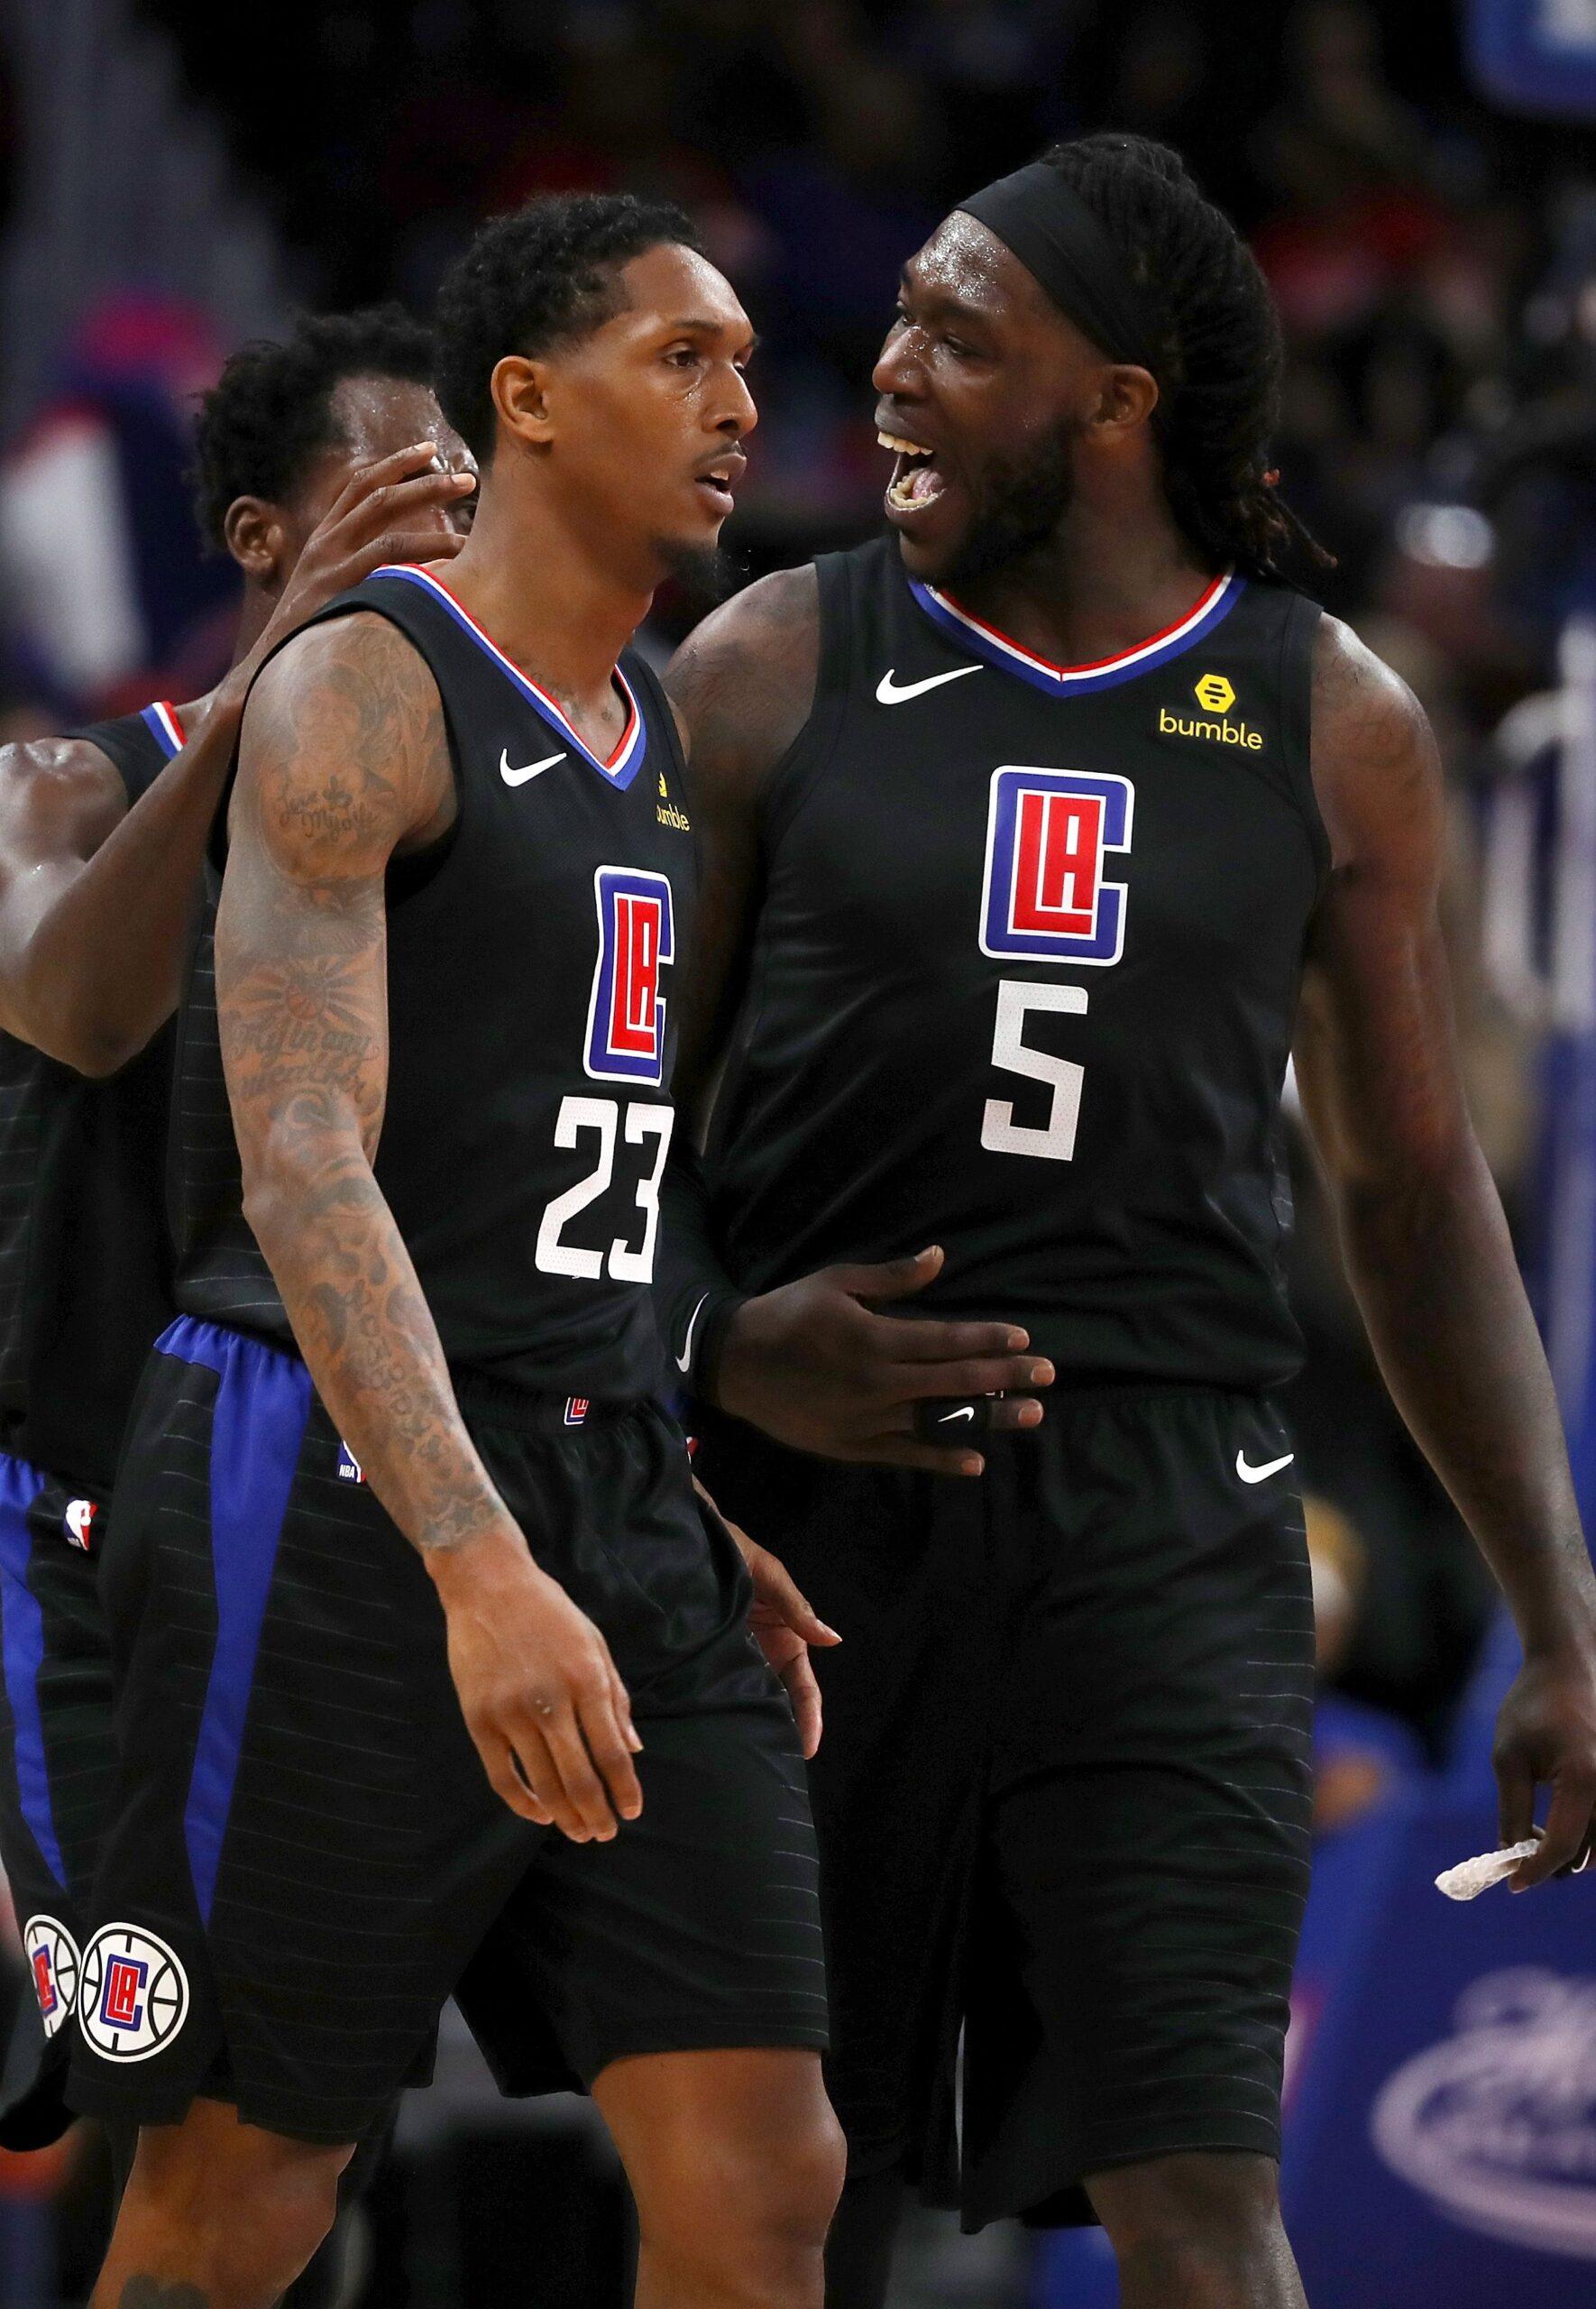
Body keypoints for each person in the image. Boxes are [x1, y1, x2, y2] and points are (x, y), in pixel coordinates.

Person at [656, 133, 1596, 2309]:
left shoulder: (1331, 714)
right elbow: (595, 1126)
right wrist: (722, 1343)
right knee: (777, 2202)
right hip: (804, 1524)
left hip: (1166, 1521)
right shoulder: (771, 659)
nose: (889, 370)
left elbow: (1411, 1190)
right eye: (901, 317)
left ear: (1116, 400)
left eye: (957, 335)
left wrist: (1557, 1607)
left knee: (1201, 2209)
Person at [70, 192, 845, 2309]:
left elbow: (567, 1168)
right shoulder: (364, 684)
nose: (740, 403)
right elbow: (305, 1156)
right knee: (236, 2196)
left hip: (603, 1478)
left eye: (746, 363)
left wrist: (663, 1479)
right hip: (328, 1488)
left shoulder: (666, 730)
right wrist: (481, 1561)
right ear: (526, 399)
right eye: (681, 356)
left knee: (765, 2169)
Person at [0, 307, 477, 2302]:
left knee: (292, 2116)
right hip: (70, 1531)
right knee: (141, 2083)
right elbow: (74, 1008)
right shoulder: (62, 778)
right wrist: (274, 676)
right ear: (266, 534)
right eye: (398, 493)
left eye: (468, 495)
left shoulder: (465, 816)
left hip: (320, 1523)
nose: (447, 530)